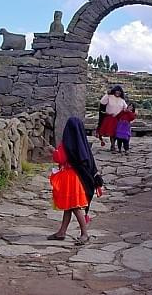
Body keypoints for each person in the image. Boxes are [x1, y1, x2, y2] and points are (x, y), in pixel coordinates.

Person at [48, 117, 100, 245]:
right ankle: (62, 232)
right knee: (69, 207)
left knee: (75, 207)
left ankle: (84, 233)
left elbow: (60, 158)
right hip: (78, 178)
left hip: (70, 180)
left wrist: (52, 151)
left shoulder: (67, 145)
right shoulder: (82, 145)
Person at [97, 86, 127, 152]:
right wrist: (107, 94)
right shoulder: (109, 97)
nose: (118, 92)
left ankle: (113, 145)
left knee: (116, 133)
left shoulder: (122, 100)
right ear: (114, 91)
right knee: (112, 133)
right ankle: (113, 146)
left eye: (119, 91)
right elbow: (102, 102)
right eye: (117, 90)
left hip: (118, 119)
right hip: (110, 118)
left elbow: (125, 108)